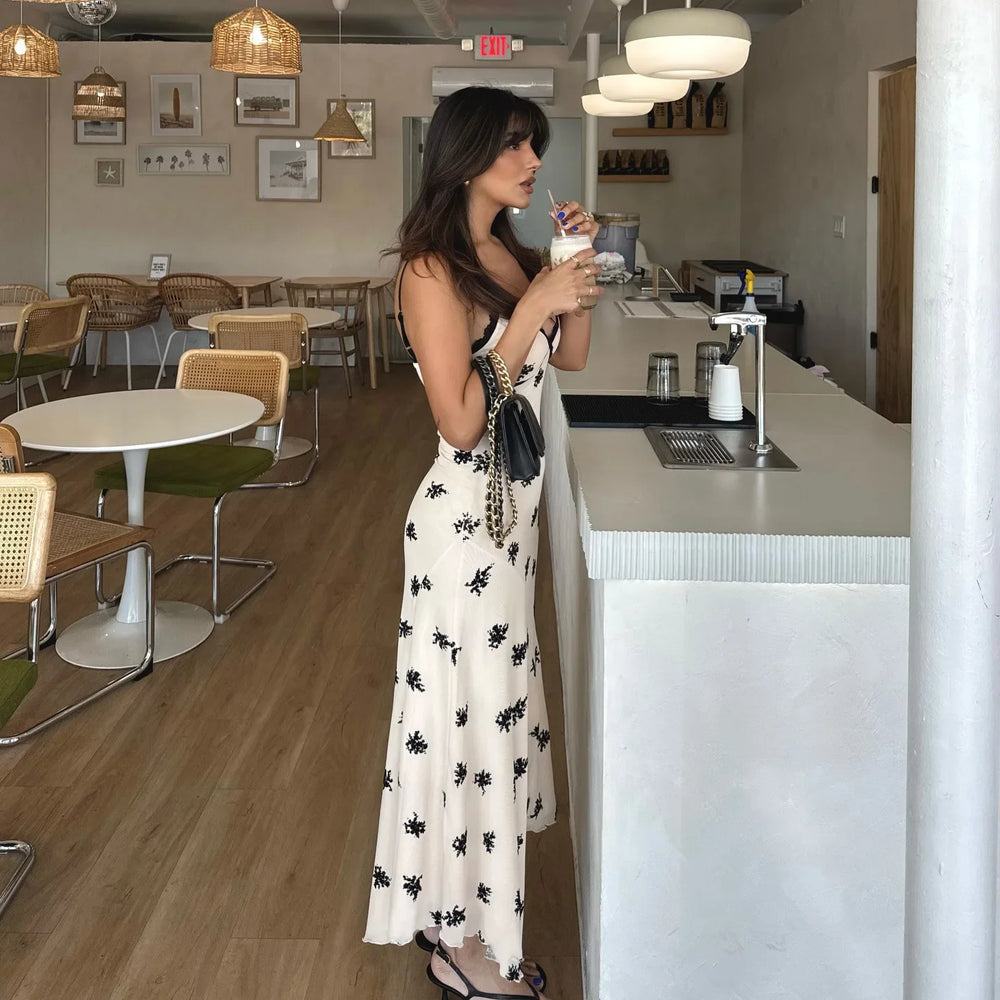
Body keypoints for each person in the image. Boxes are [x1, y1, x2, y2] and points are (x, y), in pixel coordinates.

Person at [364, 86, 601, 999]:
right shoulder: (430, 271)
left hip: (510, 533)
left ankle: (464, 931)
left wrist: (572, 271)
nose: (534, 162)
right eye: (515, 146)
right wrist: (536, 303)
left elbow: (568, 360)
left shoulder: (506, 253)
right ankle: (462, 947)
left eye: (534, 146)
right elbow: (461, 422)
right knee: (464, 723)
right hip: (463, 531)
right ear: (466, 156)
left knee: (484, 716)